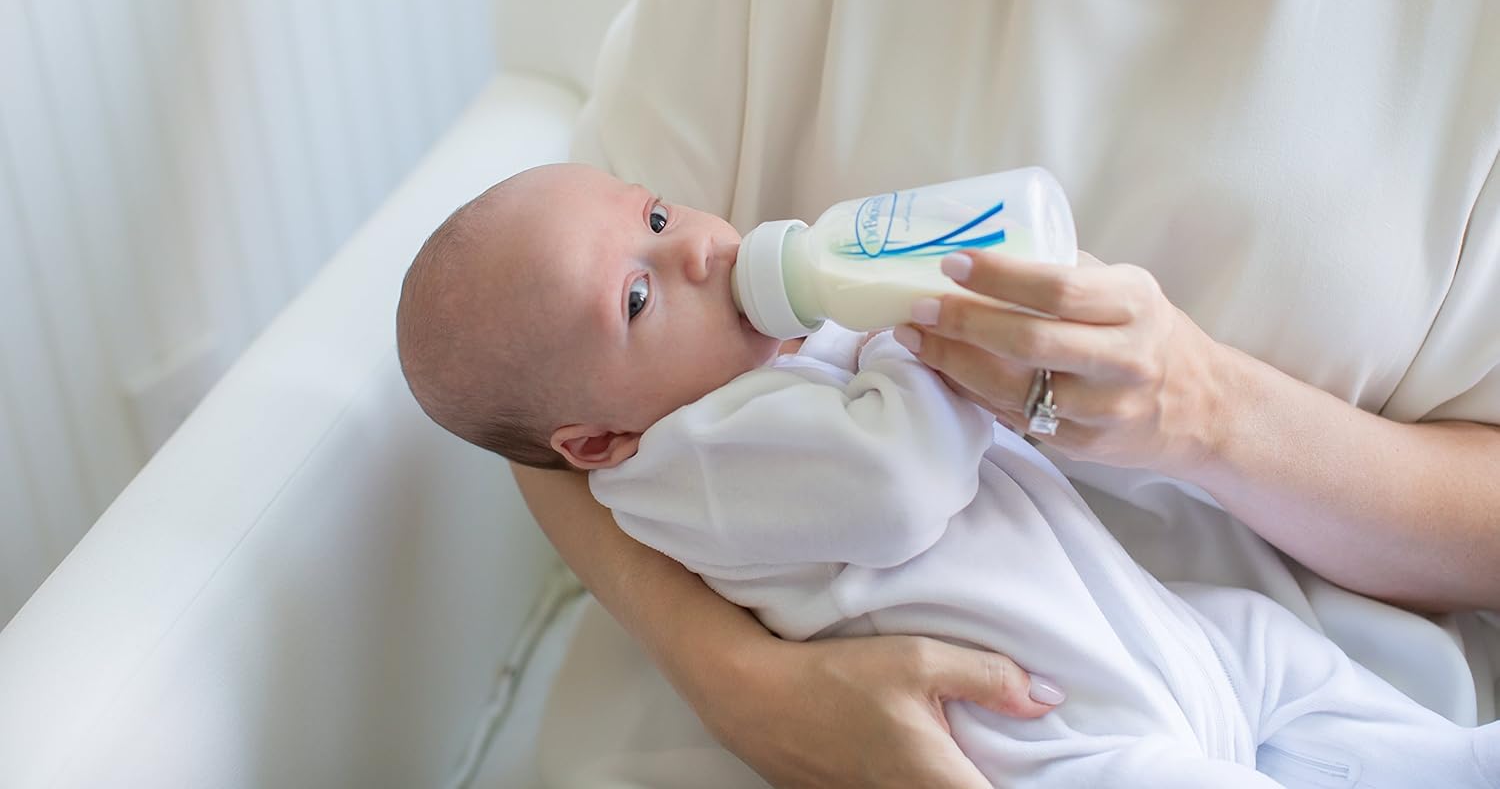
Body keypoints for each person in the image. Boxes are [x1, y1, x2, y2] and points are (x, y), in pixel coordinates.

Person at [513, 0, 1500, 785]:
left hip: (1295, 686)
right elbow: (539, 385)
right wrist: (749, 692)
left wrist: (1207, 410)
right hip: (813, 691)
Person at [395, 161, 1497, 787]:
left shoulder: (741, 365)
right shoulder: (690, 463)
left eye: (655, 213)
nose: (694, 251)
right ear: (594, 441)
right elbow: (900, 483)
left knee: (1286, 663)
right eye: (637, 298)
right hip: (1050, 729)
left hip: (1148, 634)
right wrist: (910, 339)